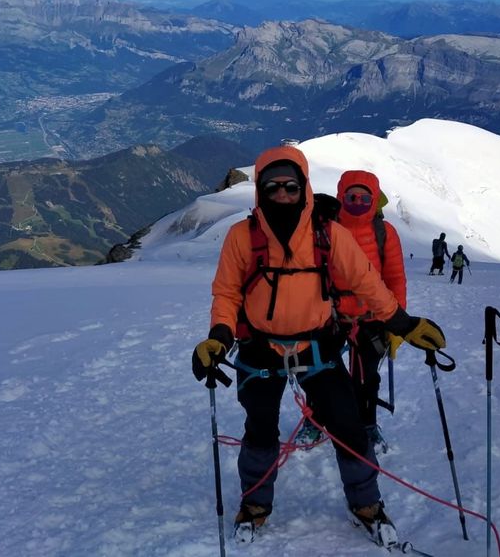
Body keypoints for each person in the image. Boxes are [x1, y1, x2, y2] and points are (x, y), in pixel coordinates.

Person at [191, 146, 447, 547]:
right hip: (260, 347)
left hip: (318, 344)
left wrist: (404, 324)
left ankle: (366, 504)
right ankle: (256, 505)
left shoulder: (329, 234)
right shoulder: (243, 236)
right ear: (260, 189)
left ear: (303, 188)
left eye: (290, 186)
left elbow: (367, 283)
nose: (281, 194)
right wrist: (219, 337)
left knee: (347, 424)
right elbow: (226, 293)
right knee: (260, 430)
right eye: (272, 187)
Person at [333, 170, 407, 453]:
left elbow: (395, 279)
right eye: (351, 196)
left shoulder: (384, 233)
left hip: (373, 320)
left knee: (367, 379)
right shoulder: (327, 227)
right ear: (341, 196)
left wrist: (396, 324)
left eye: (365, 197)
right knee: (323, 377)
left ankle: (367, 425)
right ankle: (316, 420)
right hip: (332, 318)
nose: (358, 201)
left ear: (374, 199)